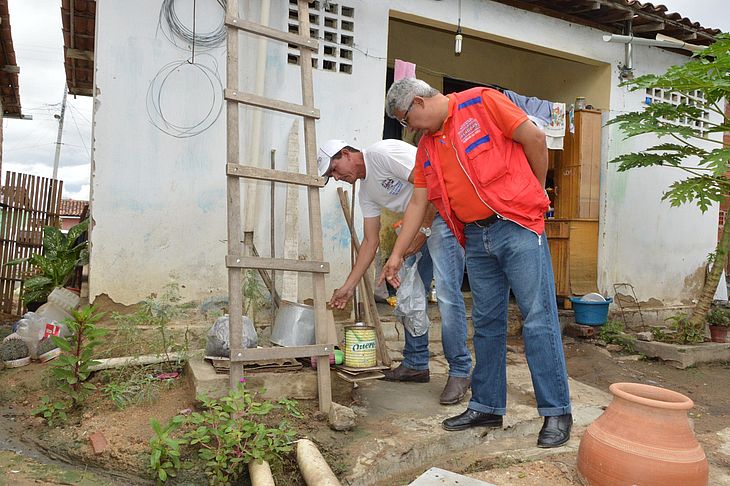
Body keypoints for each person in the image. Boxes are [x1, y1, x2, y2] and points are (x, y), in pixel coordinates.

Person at [380, 78, 573, 448]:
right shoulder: (427, 148)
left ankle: (556, 411)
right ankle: (486, 405)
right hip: (476, 236)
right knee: (485, 322)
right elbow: (419, 203)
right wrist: (396, 255)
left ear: (419, 102)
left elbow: (534, 139)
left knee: (537, 318)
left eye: (408, 119)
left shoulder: (482, 102)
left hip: (517, 227)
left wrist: (531, 198)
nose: (411, 128)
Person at [318, 138, 472, 405]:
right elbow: (370, 241)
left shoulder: (382, 153)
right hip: (417, 225)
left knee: (446, 295)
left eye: (333, 169)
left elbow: (434, 183)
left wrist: (422, 232)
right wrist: (348, 286)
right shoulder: (366, 190)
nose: (336, 177)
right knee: (410, 295)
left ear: (345, 154)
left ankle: (460, 371)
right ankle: (416, 363)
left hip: (443, 215)